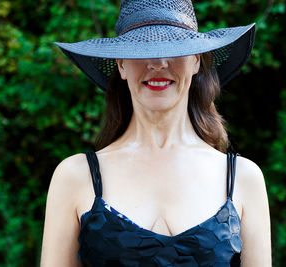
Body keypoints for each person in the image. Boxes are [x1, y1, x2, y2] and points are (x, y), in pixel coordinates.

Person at [41, 0, 271, 266]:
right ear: (121, 65)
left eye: (175, 48)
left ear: (196, 60)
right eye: (141, 50)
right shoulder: (75, 177)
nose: (159, 63)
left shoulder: (243, 178)